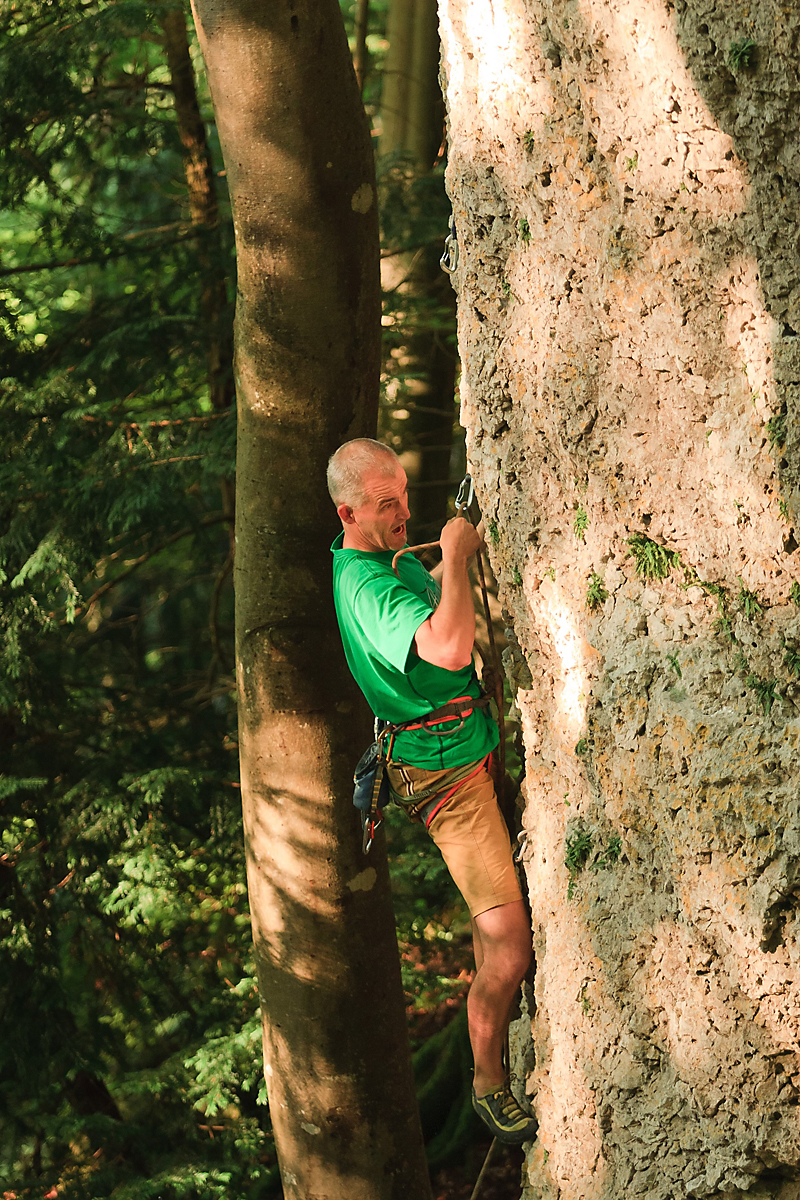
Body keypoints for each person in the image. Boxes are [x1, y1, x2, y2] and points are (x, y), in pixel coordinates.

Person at [327, 437, 537, 1145]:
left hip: (463, 748)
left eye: (406, 497)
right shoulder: (366, 586)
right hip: (445, 775)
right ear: (347, 511)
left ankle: (496, 1054)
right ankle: (486, 1084)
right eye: (387, 506)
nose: (402, 514)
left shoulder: (381, 560)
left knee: (491, 933)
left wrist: (456, 526)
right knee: (508, 948)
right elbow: (447, 649)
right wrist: (455, 552)